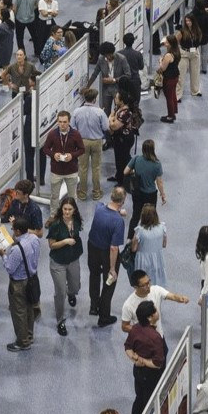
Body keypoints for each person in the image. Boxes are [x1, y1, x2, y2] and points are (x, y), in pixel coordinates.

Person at [124, 299, 166, 414]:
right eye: (155, 311)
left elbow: (128, 347)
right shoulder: (155, 337)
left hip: (138, 372)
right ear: (150, 317)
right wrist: (144, 360)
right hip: (151, 376)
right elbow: (158, 363)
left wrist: (135, 359)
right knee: (147, 403)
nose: (157, 312)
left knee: (139, 398)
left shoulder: (135, 328)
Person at [88, 187, 127, 327]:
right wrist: (112, 268)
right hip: (106, 252)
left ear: (111, 196)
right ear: (123, 201)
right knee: (109, 282)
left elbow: (105, 206)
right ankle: (104, 316)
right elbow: (114, 247)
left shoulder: (99, 209)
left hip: (92, 247)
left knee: (94, 275)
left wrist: (118, 211)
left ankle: (93, 306)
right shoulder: (118, 222)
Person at [1, 217, 41, 352]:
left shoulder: (17, 249)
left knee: (19, 313)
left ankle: (22, 342)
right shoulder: (34, 239)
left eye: (13, 229)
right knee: (30, 309)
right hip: (32, 279)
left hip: (18, 284)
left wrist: (3, 255)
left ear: (17, 231)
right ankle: (29, 335)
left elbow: (10, 268)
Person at [46, 196, 83, 337]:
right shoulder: (55, 224)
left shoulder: (77, 220)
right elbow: (51, 245)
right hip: (58, 262)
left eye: (69, 209)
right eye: (64, 209)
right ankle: (60, 320)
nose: (67, 212)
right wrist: (65, 241)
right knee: (60, 292)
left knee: (75, 287)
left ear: (74, 210)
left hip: (73, 259)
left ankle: (71, 293)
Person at [41, 110, 85, 211]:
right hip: (56, 171)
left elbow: (82, 150)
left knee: (72, 197)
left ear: (69, 122)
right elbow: (45, 149)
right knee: (54, 196)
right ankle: (53, 216)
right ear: (57, 122)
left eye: (65, 122)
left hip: (71, 171)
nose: (62, 124)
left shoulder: (76, 134)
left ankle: (73, 216)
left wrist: (72, 155)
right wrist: (53, 154)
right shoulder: (52, 134)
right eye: (60, 122)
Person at [72, 89, 110, 201]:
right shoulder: (100, 112)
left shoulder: (77, 112)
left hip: (82, 142)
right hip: (97, 142)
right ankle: (96, 193)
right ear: (94, 99)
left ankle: (82, 193)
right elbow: (106, 127)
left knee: (82, 168)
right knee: (96, 168)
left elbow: (73, 128)